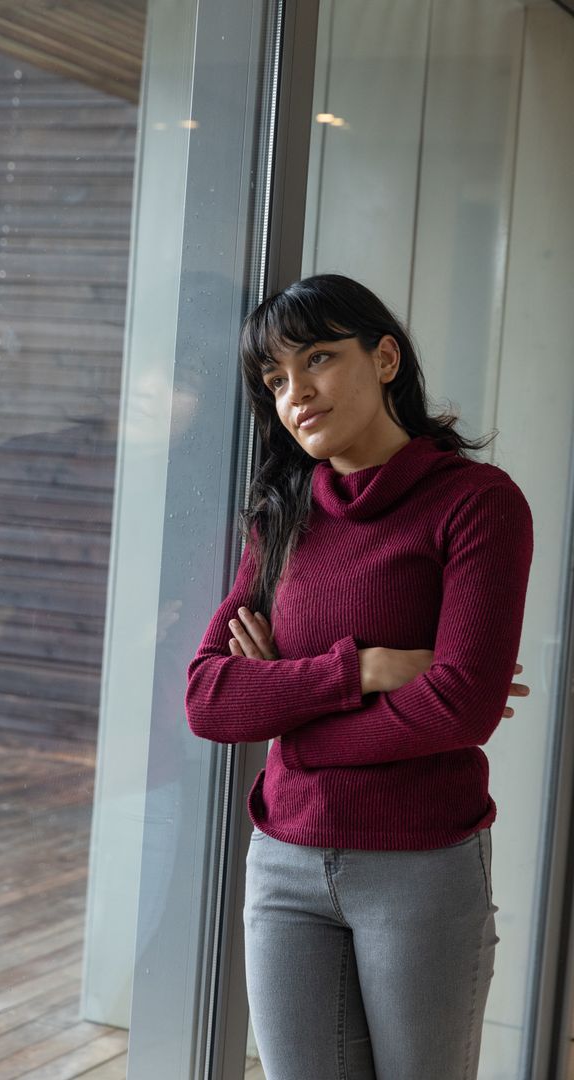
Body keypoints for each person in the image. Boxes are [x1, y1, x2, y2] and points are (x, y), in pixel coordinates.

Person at [184, 274, 534, 1080]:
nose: (296, 392)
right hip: (283, 862)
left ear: (384, 359)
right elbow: (208, 698)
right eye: (275, 380)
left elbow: (460, 708)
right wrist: (363, 670)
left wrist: (290, 722)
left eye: (318, 359)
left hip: (420, 865)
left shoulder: (477, 504)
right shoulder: (282, 514)